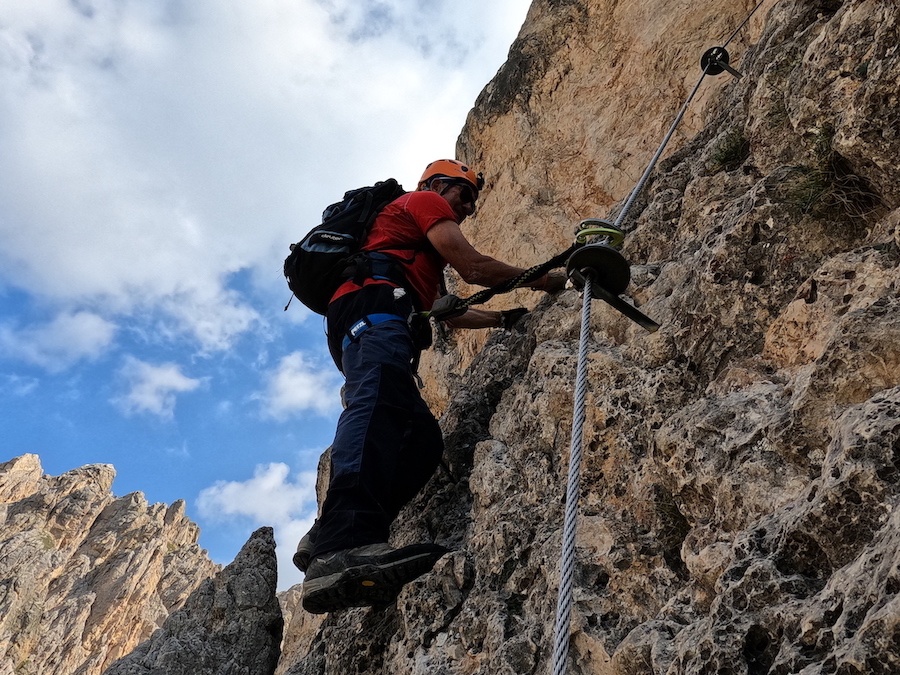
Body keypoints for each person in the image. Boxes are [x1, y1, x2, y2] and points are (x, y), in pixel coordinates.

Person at [297, 159, 566, 614]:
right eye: (463, 196)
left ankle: (330, 532)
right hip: (376, 315)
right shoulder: (420, 202)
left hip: (373, 321)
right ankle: (342, 545)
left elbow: (444, 310)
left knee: (420, 442)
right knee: (378, 404)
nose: (466, 208)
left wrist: (502, 319)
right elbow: (475, 268)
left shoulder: (410, 251)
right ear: (438, 184)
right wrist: (554, 280)